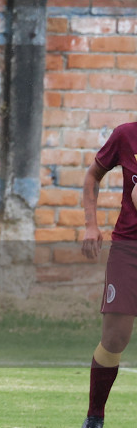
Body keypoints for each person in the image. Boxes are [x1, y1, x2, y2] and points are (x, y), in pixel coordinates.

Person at [80, 120, 137, 428]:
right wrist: (91, 224)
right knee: (115, 338)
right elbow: (93, 175)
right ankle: (95, 417)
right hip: (129, 249)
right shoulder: (126, 134)